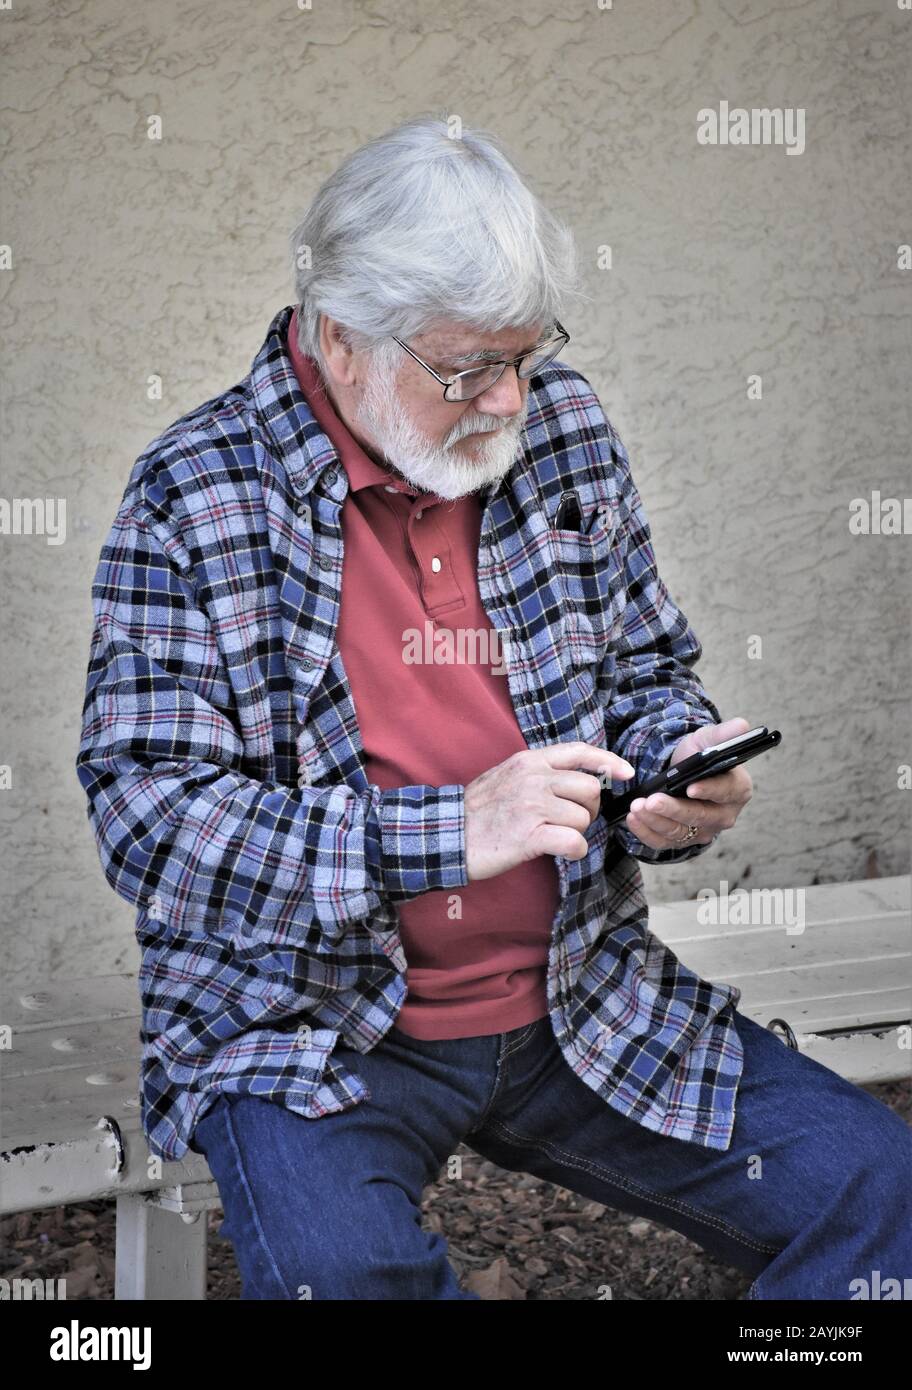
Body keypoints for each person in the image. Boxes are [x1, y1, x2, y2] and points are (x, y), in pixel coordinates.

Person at [76, 113, 911, 1300]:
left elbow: (649, 672)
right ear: (341, 337)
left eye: (527, 355)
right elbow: (148, 819)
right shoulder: (193, 490)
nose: (511, 400)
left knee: (888, 1196)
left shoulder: (562, 429)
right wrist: (451, 828)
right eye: (467, 368)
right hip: (306, 1028)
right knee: (346, 1278)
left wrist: (673, 763)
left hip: (582, 991)